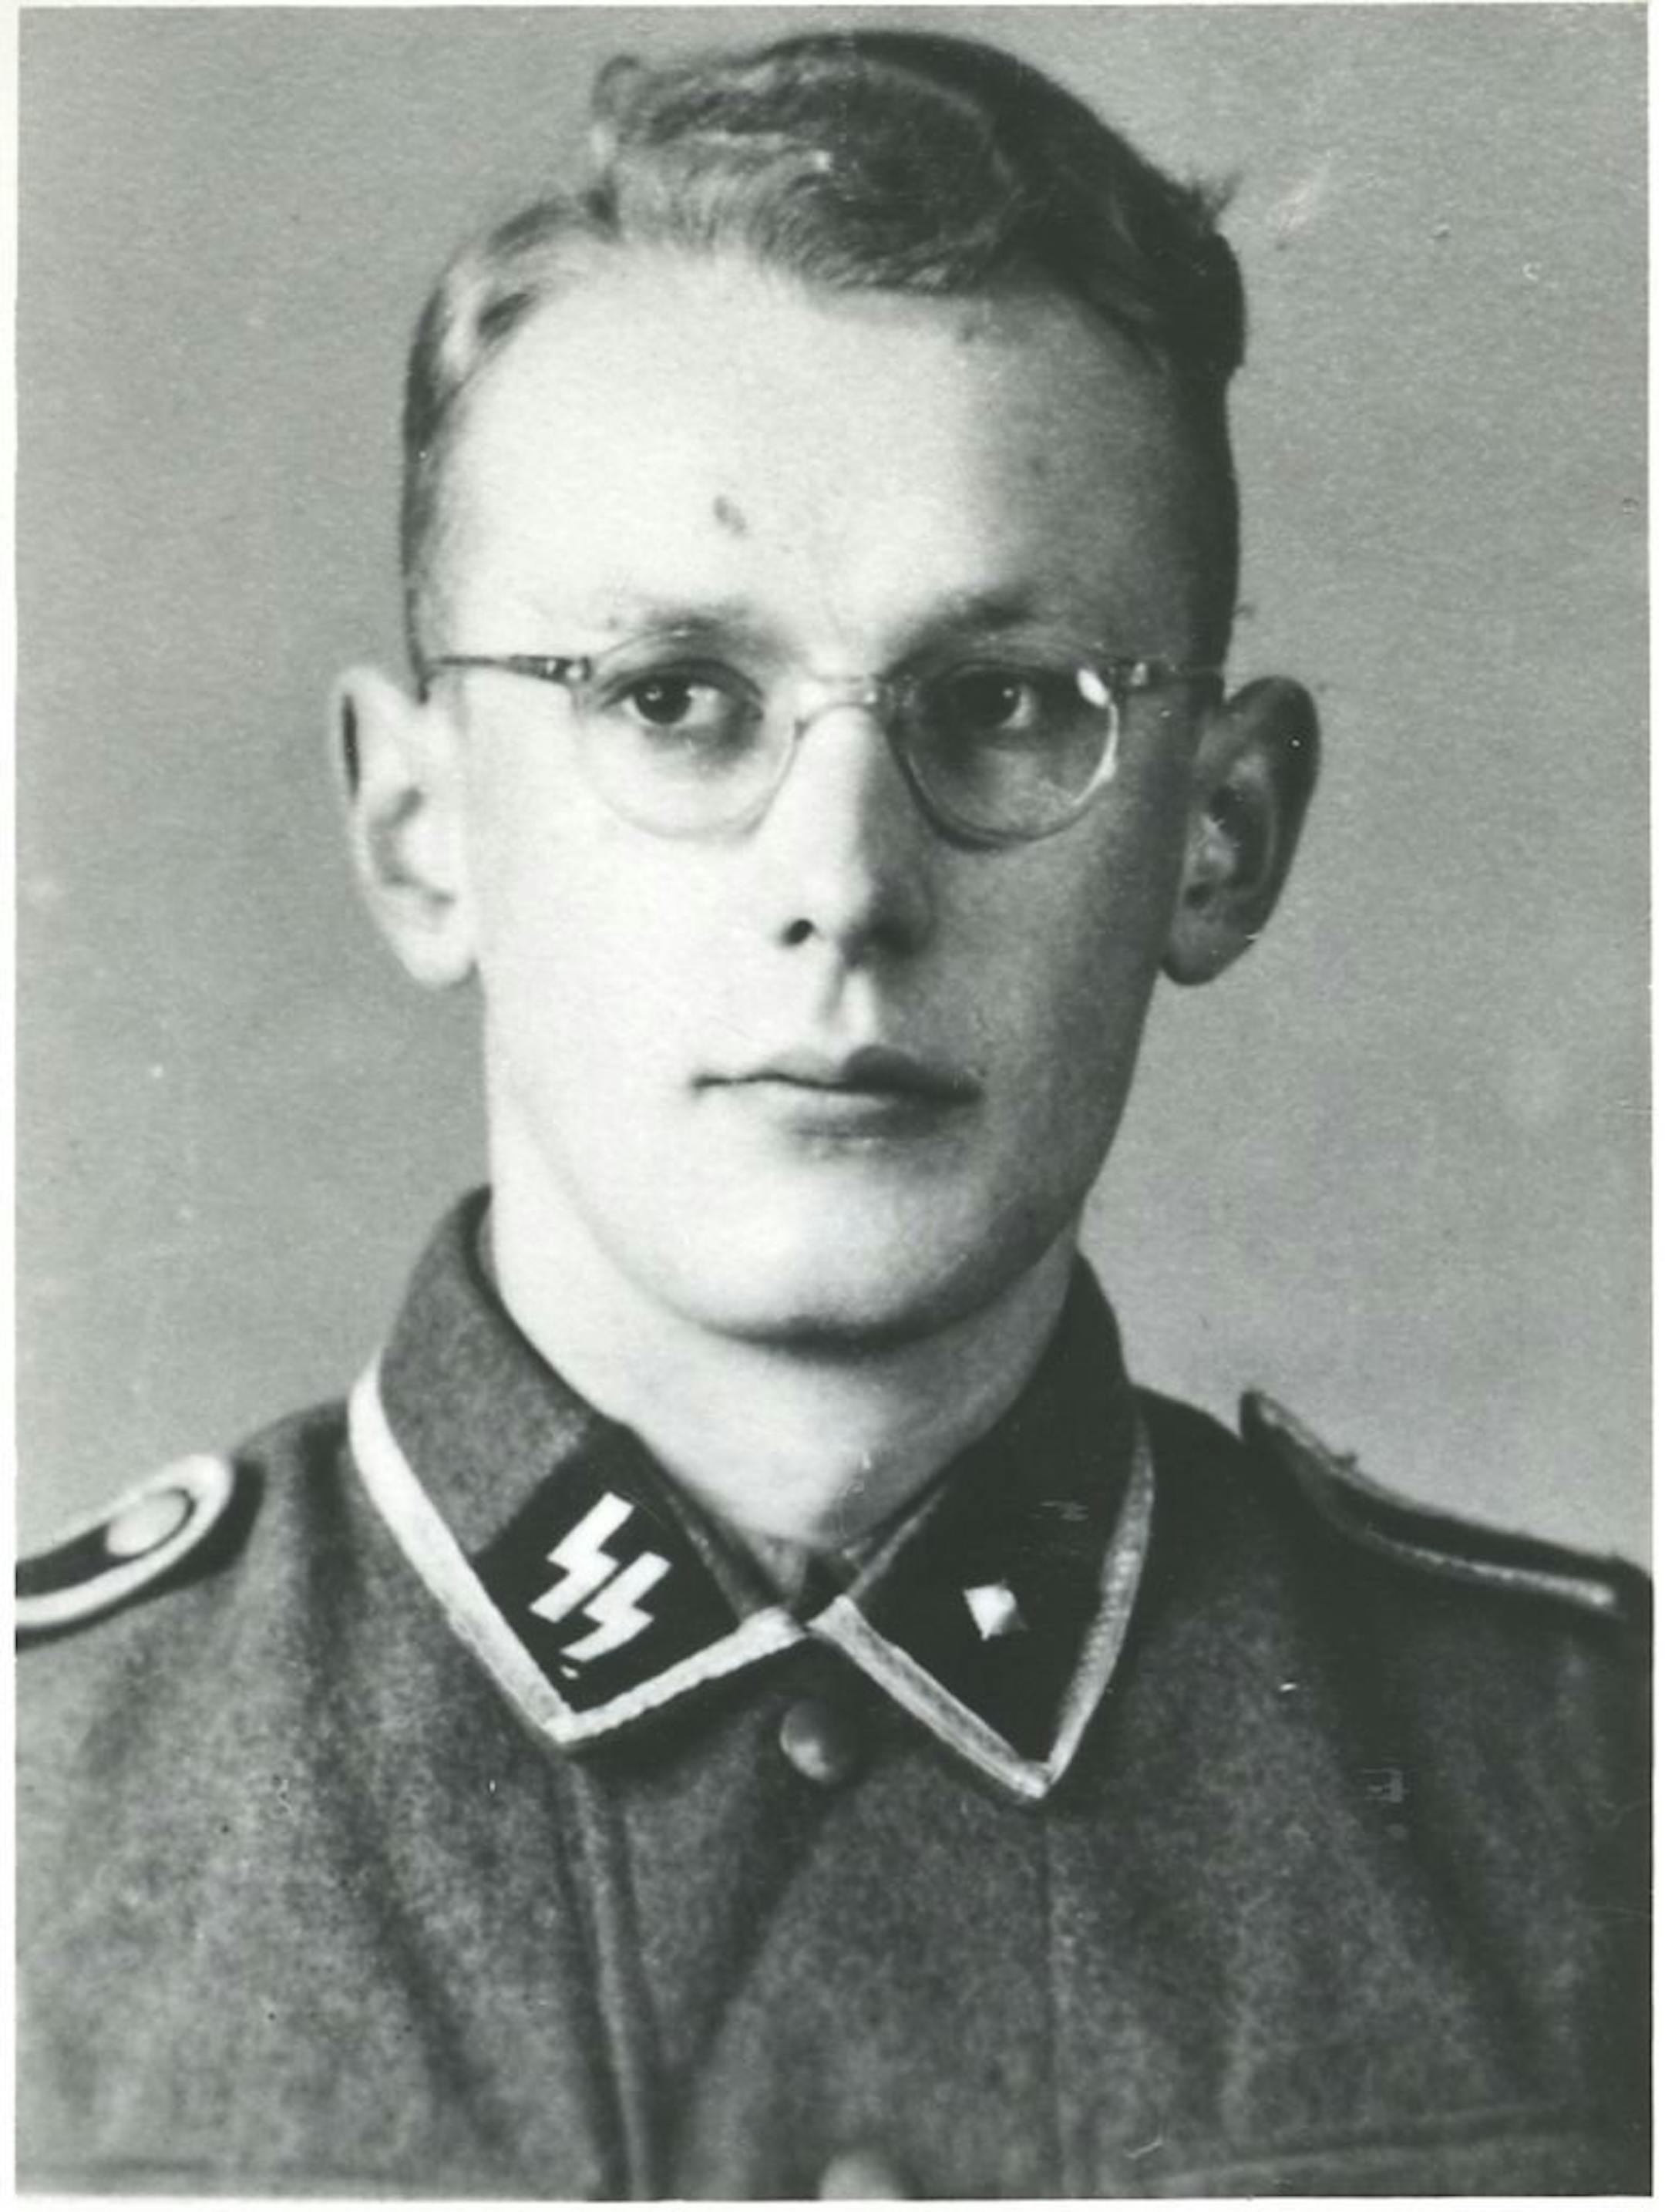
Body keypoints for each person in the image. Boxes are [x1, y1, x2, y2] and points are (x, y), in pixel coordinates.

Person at [16, 28, 1648, 2199]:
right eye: (674, 700)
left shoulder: (1590, 1805)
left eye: (1006, 709)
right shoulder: (46, 1800)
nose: (847, 890)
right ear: (424, 833)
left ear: (1219, 837)